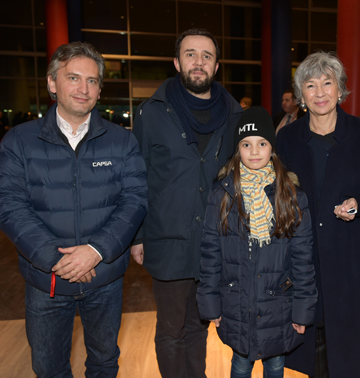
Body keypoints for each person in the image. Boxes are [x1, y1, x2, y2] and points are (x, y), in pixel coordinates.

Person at [0, 42, 148, 377]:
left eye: (92, 81)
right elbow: (8, 205)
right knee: (48, 367)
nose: (83, 88)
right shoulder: (19, 141)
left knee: (104, 362)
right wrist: (56, 259)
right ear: (52, 83)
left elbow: (135, 200)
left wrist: (95, 251)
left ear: (100, 89)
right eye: (73, 78)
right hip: (47, 278)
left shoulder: (122, 142)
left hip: (104, 277)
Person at [130, 28, 242, 378]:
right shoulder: (152, 112)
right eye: (191, 54)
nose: (199, 62)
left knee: (200, 324)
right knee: (170, 330)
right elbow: (137, 178)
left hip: (215, 242)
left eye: (206, 56)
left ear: (216, 65)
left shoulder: (235, 116)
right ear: (177, 62)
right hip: (168, 239)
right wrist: (137, 236)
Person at [276, 51, 360, 378]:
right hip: (302, 260)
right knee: (308, 348)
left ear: (340, 89)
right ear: (301, 96)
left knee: (349, 352)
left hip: (349, 260)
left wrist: (359, 203)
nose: (320, 92)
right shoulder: (287, 138)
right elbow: (277, 195)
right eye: (310, 86)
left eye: (327, 83)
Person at [197, 106, 317, 378]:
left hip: (278, 304)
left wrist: (302, 311)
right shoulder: (222, 195)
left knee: (275, 365)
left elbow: (303, 260)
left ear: (272, 149)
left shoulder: (291, 197)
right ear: (237, 149)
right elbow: (210, 255)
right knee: (240, 364)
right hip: (235, 302)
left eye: (262, 143)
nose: (254, 151)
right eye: (246, 144)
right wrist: (210, 304)